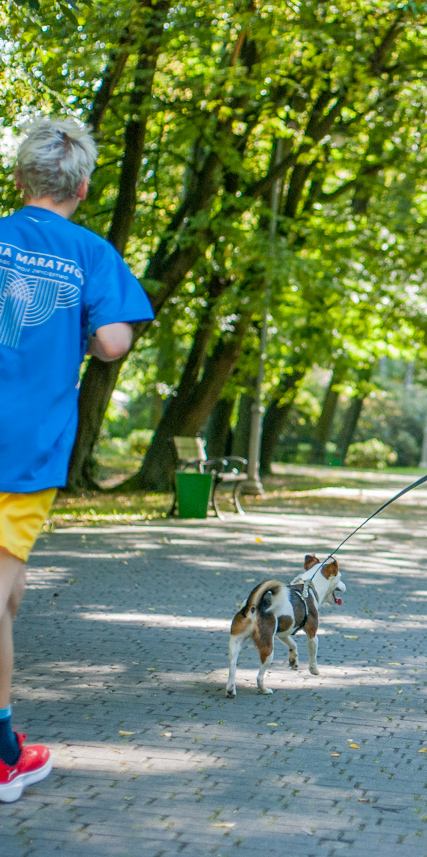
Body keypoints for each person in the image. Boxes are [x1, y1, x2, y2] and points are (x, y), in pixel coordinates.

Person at [0, 117, 154, 802]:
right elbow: (114, 342)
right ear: (84, 187)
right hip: (26, 445)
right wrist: (85, 335)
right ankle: (2, 754)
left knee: (9, 592)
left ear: (18, 179)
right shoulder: (90, 252)